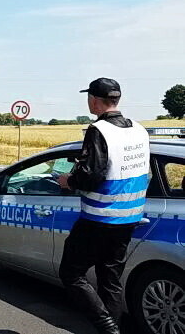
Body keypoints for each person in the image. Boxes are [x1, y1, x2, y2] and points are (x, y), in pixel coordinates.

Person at [57, 78, 150, 334]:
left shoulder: (99, 131)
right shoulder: (140, 130)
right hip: (129, 218)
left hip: (100, 218)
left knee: (71, 273)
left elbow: (91, 176)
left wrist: (69, 180)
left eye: (88, 97)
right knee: (110, 280)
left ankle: (107, 326)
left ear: (95, 100)